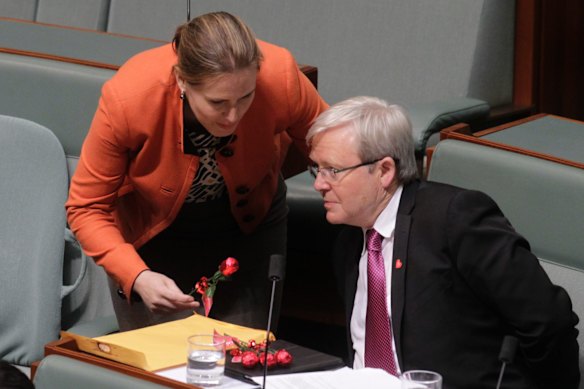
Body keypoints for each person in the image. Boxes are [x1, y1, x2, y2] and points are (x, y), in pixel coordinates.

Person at [66, 11, 327, 331]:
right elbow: (86, 207)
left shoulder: (280, 74)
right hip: (152, 240)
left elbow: (332, 145)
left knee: (239, 364)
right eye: (218, 102)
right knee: (157, 372)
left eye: (246, 97)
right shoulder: (129, 97)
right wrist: (138, 276)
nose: (233, 116)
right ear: (181, 80)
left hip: (249, 229)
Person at [306, 96, 580, 388]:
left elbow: (549, 323)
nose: (319, 184)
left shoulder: (455, 219)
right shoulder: (348, 240)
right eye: (317, 169)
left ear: (385, 171)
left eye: (333, 170)